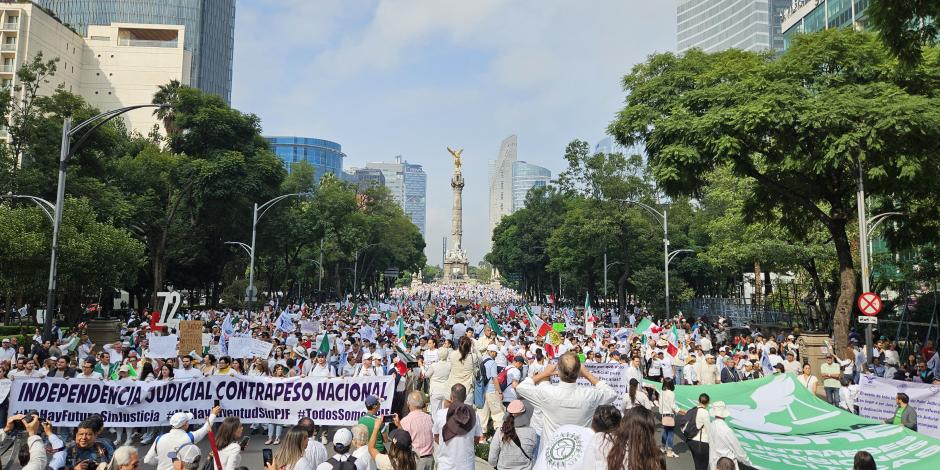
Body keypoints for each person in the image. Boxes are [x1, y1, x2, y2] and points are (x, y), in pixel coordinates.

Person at [516, 351, 617, 440]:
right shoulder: (590, 395)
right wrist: (587, 374)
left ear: (558, 371)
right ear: (578, 372)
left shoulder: (547, 392)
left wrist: (544, 373)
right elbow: (611, 393)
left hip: (551, 451)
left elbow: (521, 387)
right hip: (580, 453)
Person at [144, 406, 221, 470]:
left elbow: (147, 460)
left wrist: (163, 459)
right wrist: (213, 414)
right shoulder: (190, 437)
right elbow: (205, 429)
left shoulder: (159, 439)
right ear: (185, 425)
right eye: (187, 421)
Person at [433, 384, 483, 470]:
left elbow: (436, 437)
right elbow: (477, 438)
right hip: (466, 465)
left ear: (451, 396)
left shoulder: (440, 414)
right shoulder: (473, 414)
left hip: (445, 465)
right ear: (465, 397)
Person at [488, 400, 536, 470]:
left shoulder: (500, 431)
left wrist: (494, 465)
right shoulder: (532, 432)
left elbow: (492, 456)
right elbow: (533, 453)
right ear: (524, 414)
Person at [707, 402, 751, 470]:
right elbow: (737, 448)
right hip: (727, 464)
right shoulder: (727, 430)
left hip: (714, 461)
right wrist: (747, 461)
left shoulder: (711, 425)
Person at [399, 391, 434, 470]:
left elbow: (402, 441)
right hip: (429, 458)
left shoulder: (406, 421)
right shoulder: (429, 418)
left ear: (408, 404)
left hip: (415, 459)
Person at [478, 343, 505, 433]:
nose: (496, 354)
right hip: (491, 390)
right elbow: (494, 379)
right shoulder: (492, 362)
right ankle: (499, 433)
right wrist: (500, 392)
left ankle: (481, 436)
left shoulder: (481, 360)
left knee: (483, 414)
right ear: (492, 352)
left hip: (481, 391)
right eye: (495, 353)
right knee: (497, 413)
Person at [422, 347, 452, 415]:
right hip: (446, 390)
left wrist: (421, 366)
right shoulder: (450, 365)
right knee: (444, 412)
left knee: (435, 412)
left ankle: (436, 425)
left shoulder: (434, 365)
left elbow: (425, 375)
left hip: (435, 390)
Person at [686, 393, 711, 470]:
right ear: (708, 402)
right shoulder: (705, 412)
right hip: (701, 442)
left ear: (698, 400)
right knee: (703, 466)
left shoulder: (693, 410)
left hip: (691, 440)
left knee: (697, 465)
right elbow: (708, 429)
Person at [659, 377, 679, 458]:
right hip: (670, 414)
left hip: (663, 414)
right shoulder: (671, 393)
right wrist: (679, 410)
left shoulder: (662, 392)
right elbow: (673, 405)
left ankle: (663, 447)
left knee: (665, 431)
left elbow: (660, 404)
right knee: (670, 433)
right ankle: (670, 451)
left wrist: (661, 413)